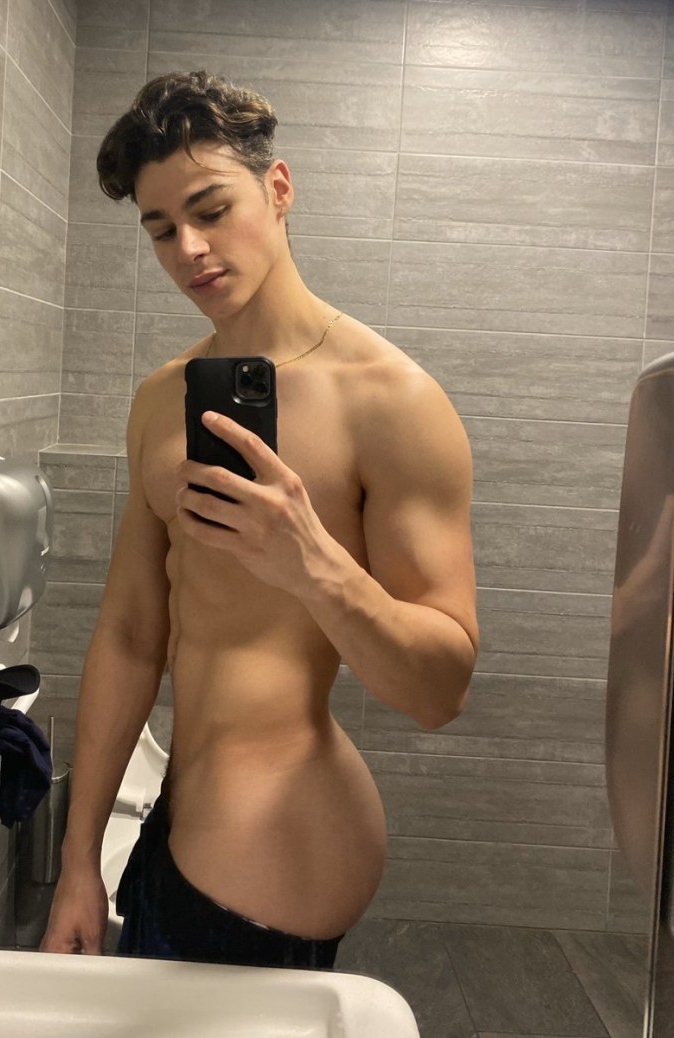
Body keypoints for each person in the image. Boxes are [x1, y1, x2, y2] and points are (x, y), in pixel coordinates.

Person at [40, 70, 478, 969]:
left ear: (277, 189)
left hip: (278, 847)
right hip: (174, 821)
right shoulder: (161, 401)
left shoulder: (389, 401)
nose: (190, 249)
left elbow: (441, 690)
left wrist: (313, 562)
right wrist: (77, 860)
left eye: (211, 210)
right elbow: (129, 635)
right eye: (161, 229)